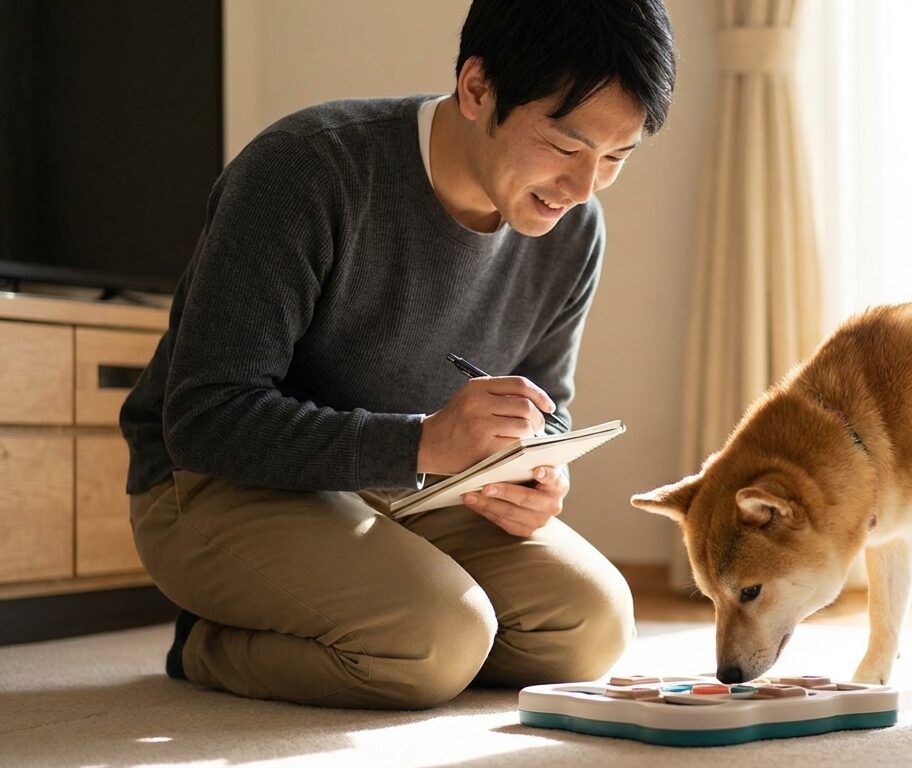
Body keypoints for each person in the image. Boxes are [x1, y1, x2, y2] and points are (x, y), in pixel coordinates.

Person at [118, 0, 676, 710]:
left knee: (592, 628)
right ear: (477, 89)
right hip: (213, 483)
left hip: (414, 484)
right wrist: (421, 441)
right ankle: (208, 643)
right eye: (567, 147)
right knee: (438, 640)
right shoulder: (306, 170)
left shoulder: (574, 231)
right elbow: (203, 418)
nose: (583, 187)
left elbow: (547, 405)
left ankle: (380, 620)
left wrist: (537, 472)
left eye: (616, 157)